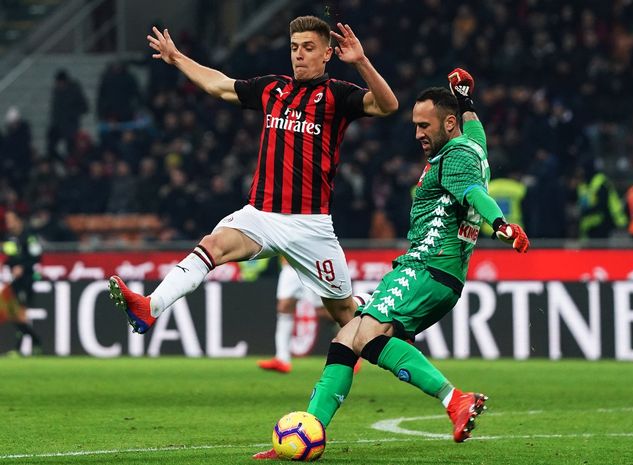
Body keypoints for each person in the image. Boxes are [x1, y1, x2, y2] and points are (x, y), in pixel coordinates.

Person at [254, 69, 530, 459]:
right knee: (346, 338)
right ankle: (307, 431)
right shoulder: (474, 145)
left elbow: (472, 193)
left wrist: (500, 224)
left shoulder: (453, 157)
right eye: (415, 125)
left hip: (426, 266)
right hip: (435, 273)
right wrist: (465, 98)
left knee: (366, 338)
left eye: (424, 125)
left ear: (448, 124)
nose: (417, 133)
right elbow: (474, 126)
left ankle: (455, 399)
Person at [108, 16, 398, 334]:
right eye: (294, 47)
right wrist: (177, 58)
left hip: (310, 225)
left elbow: (387, 105)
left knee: (347, 317)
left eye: (308, 47)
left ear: (327, 53)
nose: (299, 54)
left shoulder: (337, 96)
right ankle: (150, 307)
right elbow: (219, 85)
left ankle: (401, 339)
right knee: (212, 245)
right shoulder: (273, 89)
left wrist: (361, 62)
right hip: (261, 216)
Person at [257, 257, 325, 374]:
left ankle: (351, 352)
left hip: (308, 264)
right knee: (284, 307)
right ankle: (282, 359)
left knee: (324, 310)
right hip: (288, 266)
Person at [1, 210, 43, 355]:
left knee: (18, 314)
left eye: (11, 219)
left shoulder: (29, 236)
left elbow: (37, 257)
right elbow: (10, 256)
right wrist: (5, 263)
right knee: (14, 314)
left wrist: (23, 267)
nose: (8, 223)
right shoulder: (9, 237)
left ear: (19, 220)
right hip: (14, 281)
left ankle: (26, 346)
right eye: (7, 220)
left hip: (26, 280)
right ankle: (35, 343)